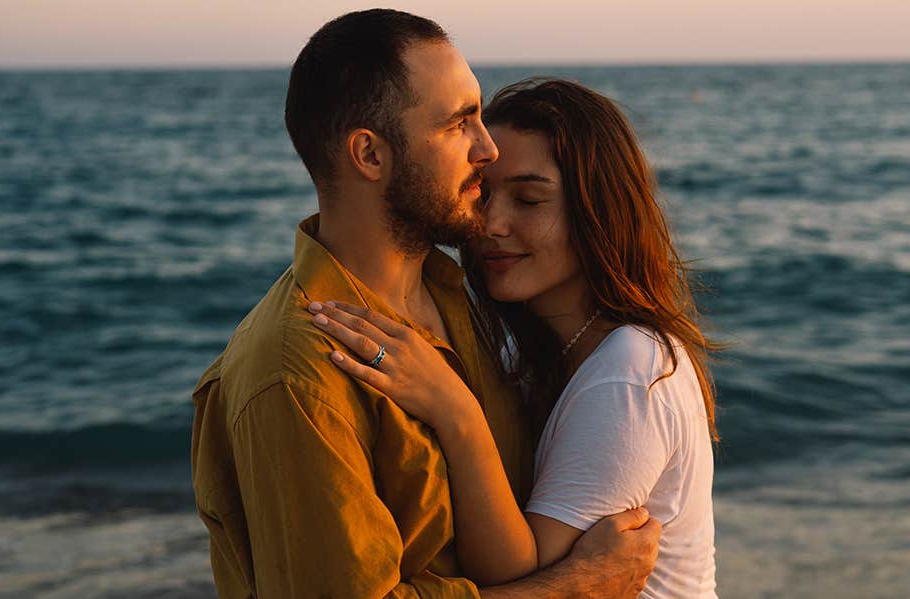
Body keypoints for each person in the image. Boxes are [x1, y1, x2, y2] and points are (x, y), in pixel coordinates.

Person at [190, 9, 660, 599]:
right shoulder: (298, 374)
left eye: (479, 116)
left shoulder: (460, 297)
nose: (487, 148)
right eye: (459, 123)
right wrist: (577, 585)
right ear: (369, 155)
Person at [308, 79, 723, 597]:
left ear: (599, 211)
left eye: (528, 200)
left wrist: (455, 412)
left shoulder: (632, 370)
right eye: (482, 194)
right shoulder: (527, 351)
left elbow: (514, 573)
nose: (491, 225)